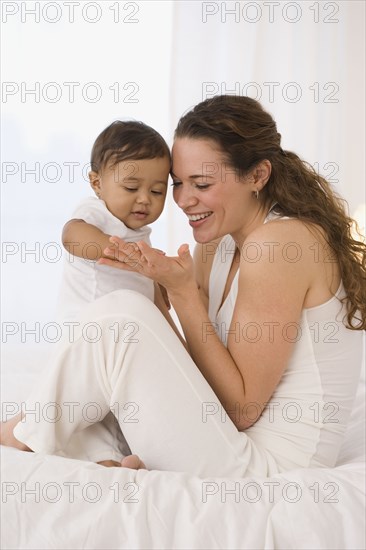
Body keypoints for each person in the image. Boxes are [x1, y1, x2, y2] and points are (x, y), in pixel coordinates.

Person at [1, 96, 365, 477]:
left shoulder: (280, 244)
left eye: (202, 183)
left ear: (257, 176)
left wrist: (181, 292)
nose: (183, 200)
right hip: (221, 435)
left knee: (123, 316)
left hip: (269, 466)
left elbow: (240, 411)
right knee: (126, 311)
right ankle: (72, 446)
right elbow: (191, 368)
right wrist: (160, 299)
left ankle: (22, 435)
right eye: (177, 183)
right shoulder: (216, 247)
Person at [56, 119, 171, 322]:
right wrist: (125, 252)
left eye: (156, 191)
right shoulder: (96, 211)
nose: (145, 199)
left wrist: (156, 279)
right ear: (97, 182)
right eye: (131, 188)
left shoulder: (139, 230)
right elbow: (71, 237)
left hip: (124, 325)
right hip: (88, 325)